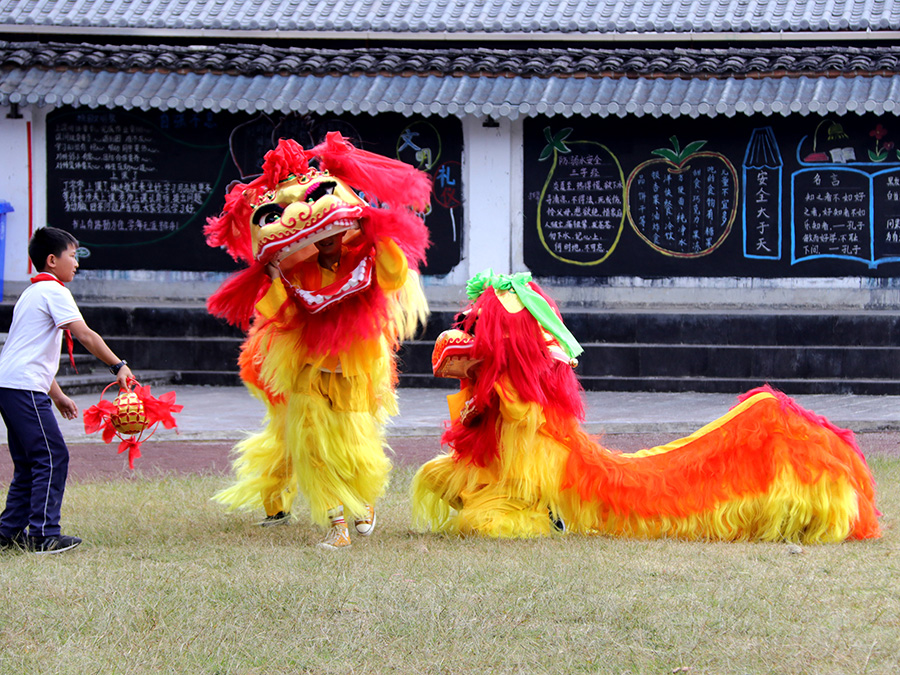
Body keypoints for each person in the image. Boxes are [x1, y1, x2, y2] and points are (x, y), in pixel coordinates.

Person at [205, 135, 430, 550]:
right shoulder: (297, 271)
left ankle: (363, 502)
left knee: (355, 443)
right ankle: (337, 525)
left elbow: (395, 279)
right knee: (312, 443)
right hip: (308, 366)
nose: (324, 240)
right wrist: (272, 276)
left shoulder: (366, 253)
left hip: (357, 367)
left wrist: (376, 234)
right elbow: (282, 314)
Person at [0, 227, 133, 554]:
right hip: (24, 387)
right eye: (72, 256)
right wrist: (118, 366)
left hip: (13, 385)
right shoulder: (53, 291)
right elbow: (86, 335)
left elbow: (31, 353)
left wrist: (57, 395)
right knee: (51, 455)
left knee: (30, 462)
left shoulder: (31, 293)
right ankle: (44, 534)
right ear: (51, 260)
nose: (76, 263)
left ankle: (8, 533)